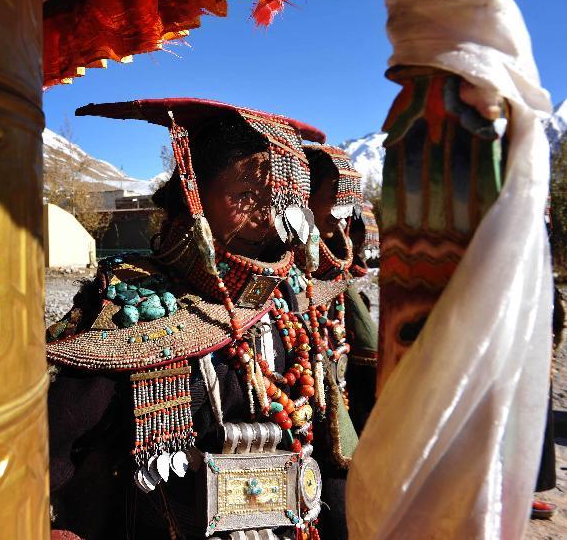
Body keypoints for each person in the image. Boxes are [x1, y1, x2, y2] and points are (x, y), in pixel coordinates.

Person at [46, 98, 357, 540]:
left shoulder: (291, 305)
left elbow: (334, 450)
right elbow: (52, 452)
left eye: (281, 199)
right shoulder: (134, 305)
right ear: (194, 196)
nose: (267, 216)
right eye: (246, 195)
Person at [300, 146, 377, 435]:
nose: (341, 213)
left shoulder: (338, 281)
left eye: (345, 201)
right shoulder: (283, 282)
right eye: (334, 197)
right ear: (305, 195)